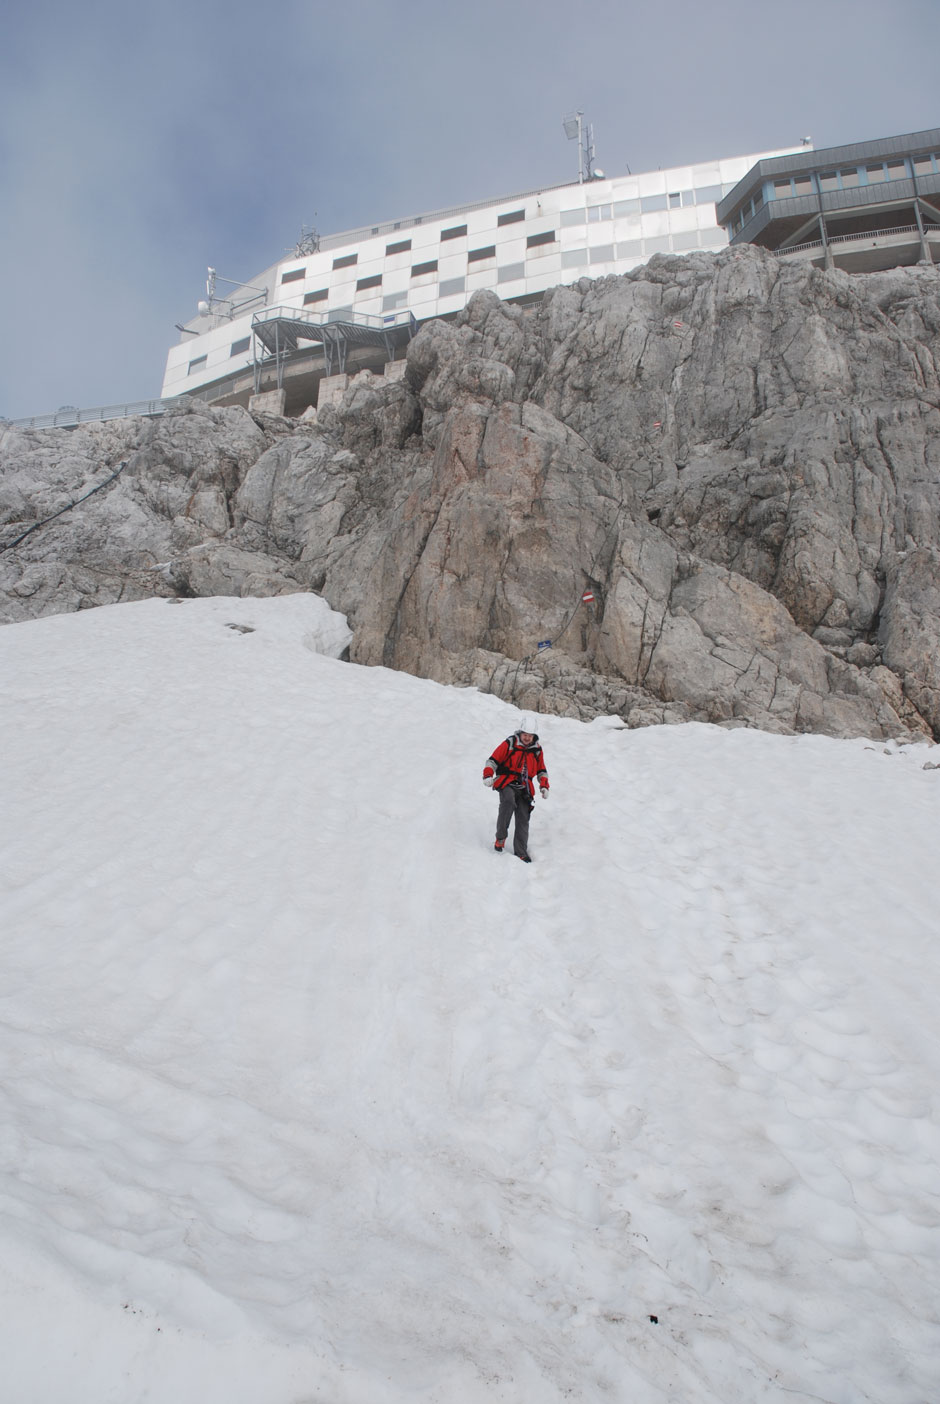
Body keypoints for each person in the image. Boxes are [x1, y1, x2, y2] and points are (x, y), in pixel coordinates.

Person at [483, 715, 550, 862]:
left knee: (523, 816)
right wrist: (488, 775)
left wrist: (544, 785)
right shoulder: (510, 743)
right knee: (508, 801)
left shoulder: (537, 750)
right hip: (507, 781)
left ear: (534, 736)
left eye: (530, 736)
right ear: (520, 733)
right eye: (525, 735)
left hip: (525, 787)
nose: (527, 738)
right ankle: (500, 838)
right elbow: (493, 760)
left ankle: (521, 851)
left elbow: (541, 770)